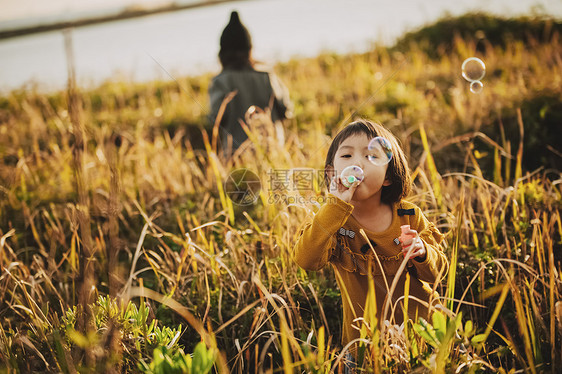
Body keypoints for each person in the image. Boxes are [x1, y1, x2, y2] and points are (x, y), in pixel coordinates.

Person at [292, 119, 449, 359]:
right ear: (331, 173)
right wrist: (334, 206)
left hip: (424, 337)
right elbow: (306, 260)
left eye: (371, 156)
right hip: (364, 347)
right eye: (346, 156)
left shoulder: (408, 216)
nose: (357, 163)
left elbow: (438, 275)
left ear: (388, 176)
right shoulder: (329, 222)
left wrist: (423, 252)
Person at [209, 10, 293, 156]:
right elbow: (286, 110)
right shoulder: (266, 76)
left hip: (237, 157)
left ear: (222, 53)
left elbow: (215, 119)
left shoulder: (220, 82)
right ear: (249, 49)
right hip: (273, 152)